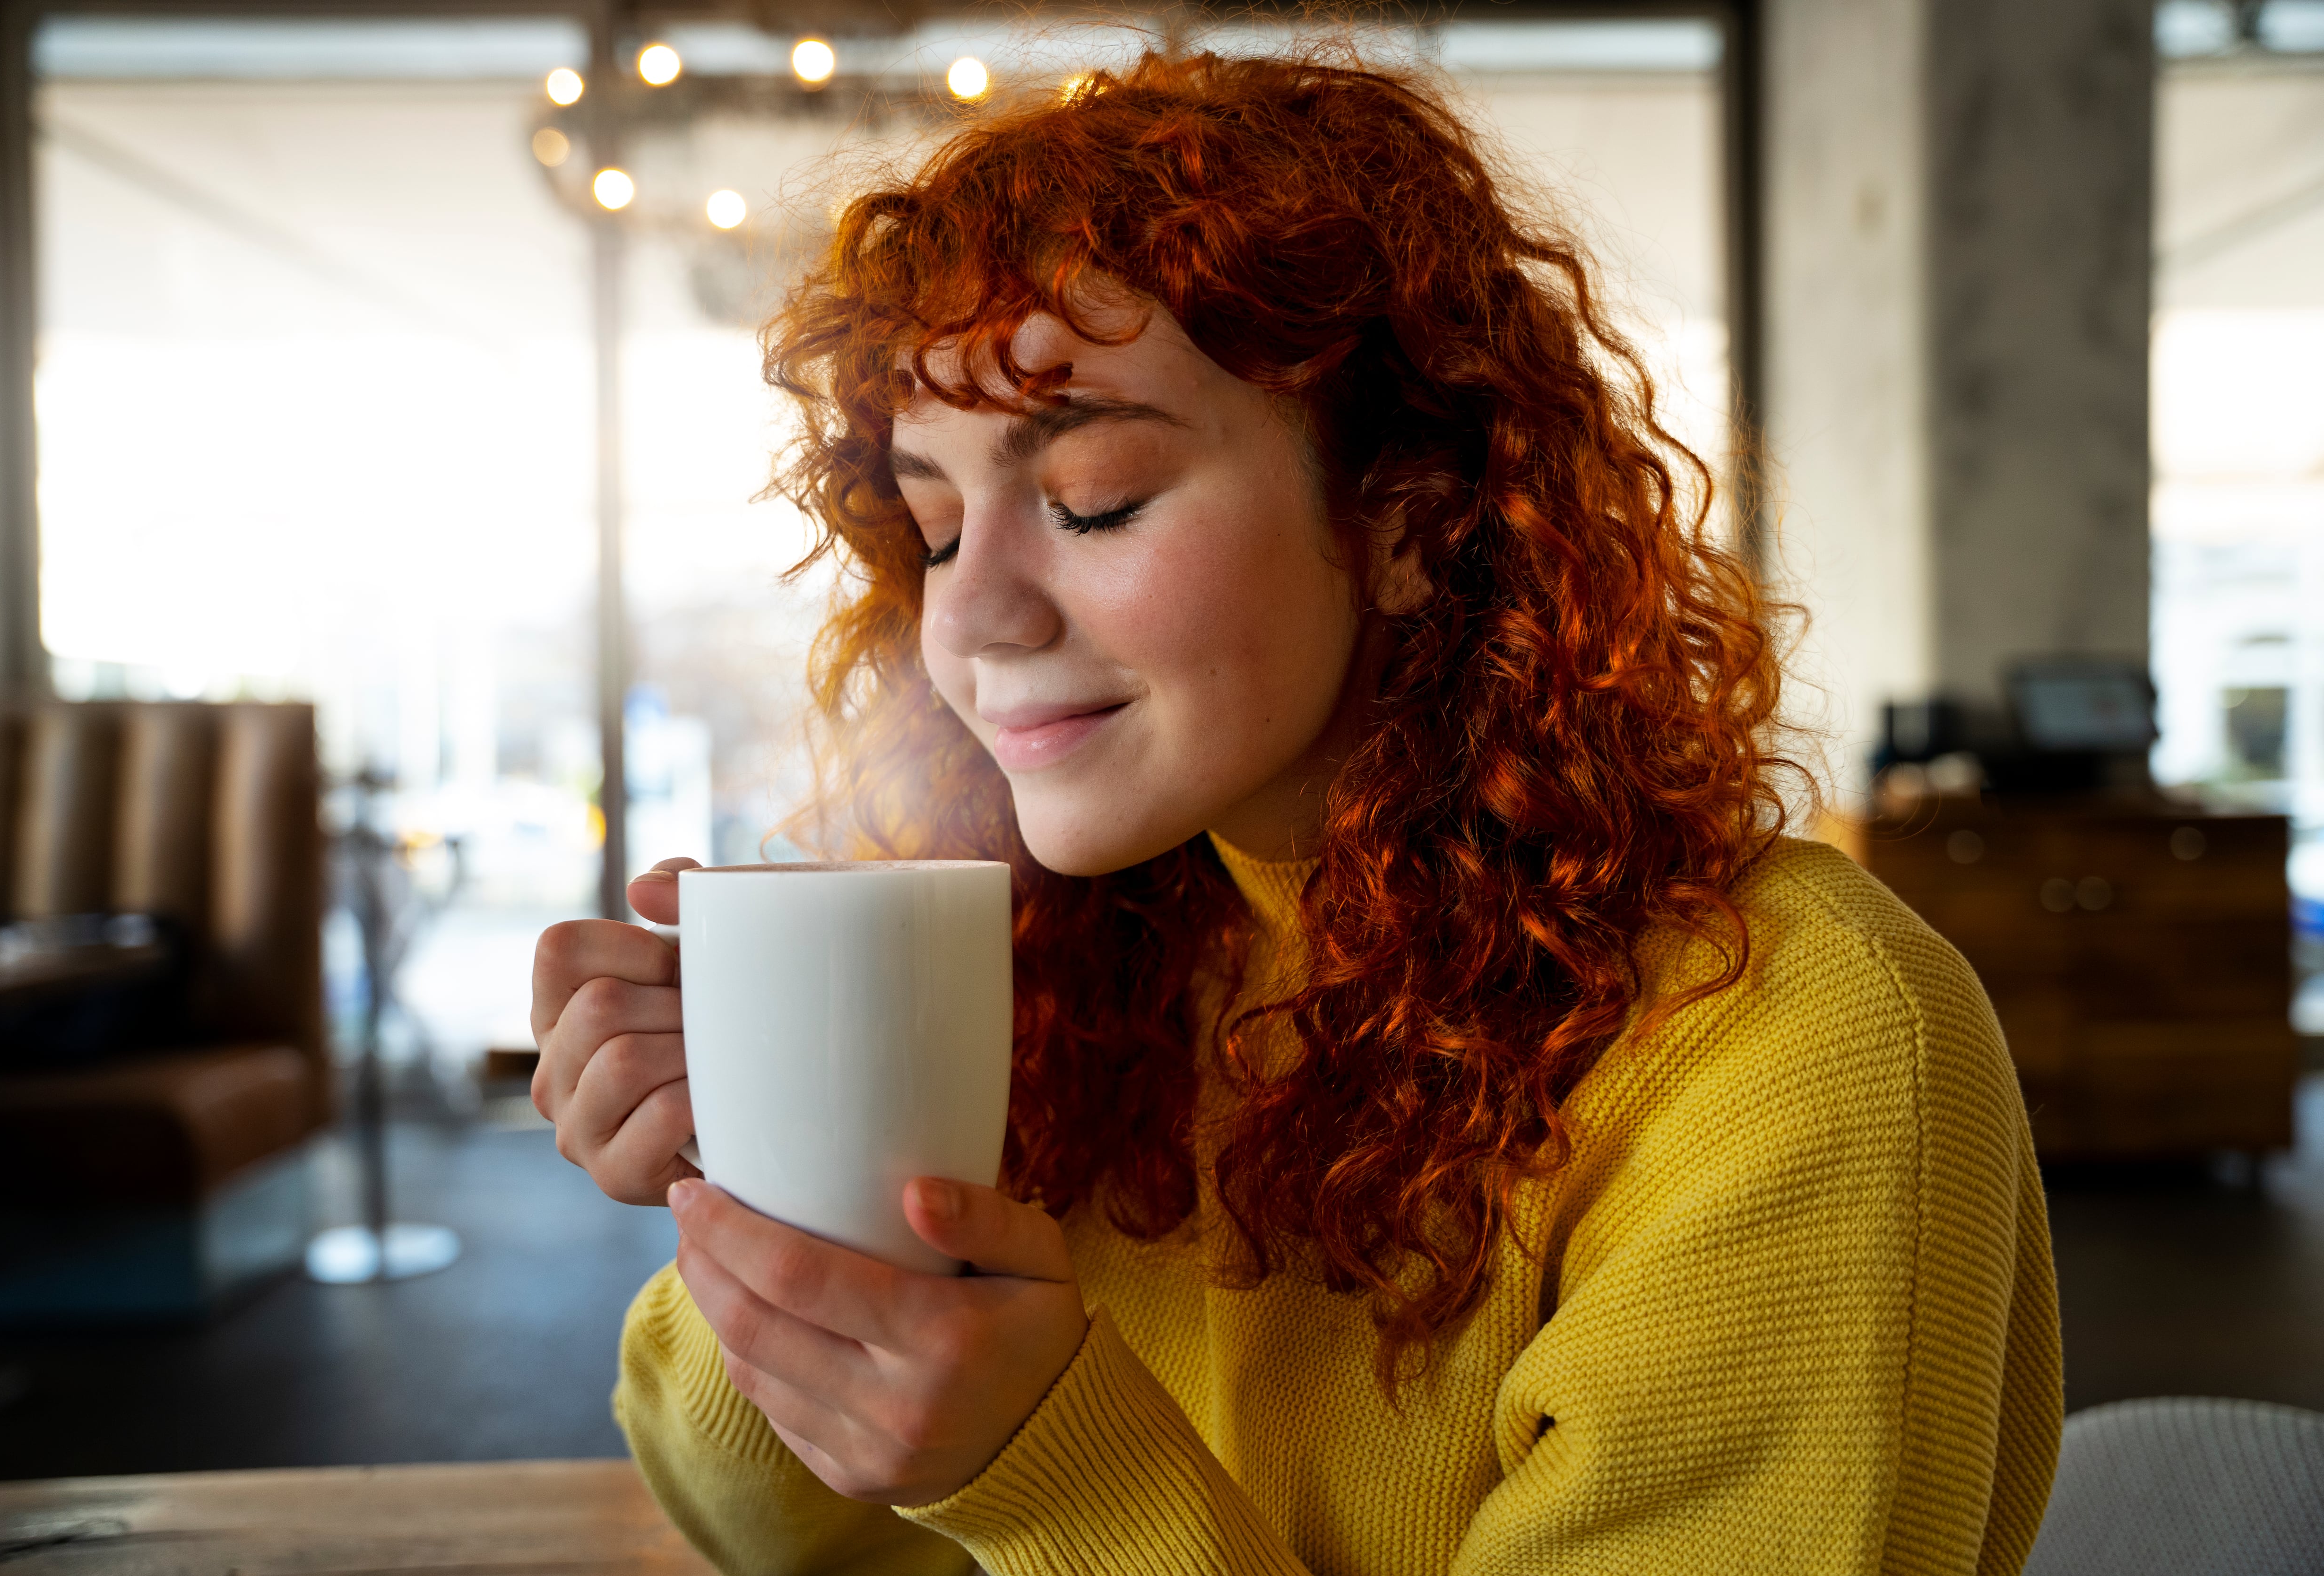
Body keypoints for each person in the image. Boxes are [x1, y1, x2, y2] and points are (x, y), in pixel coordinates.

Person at [529, 47, 2062, 1576]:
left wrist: (1043, 1470)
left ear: (1409, 520)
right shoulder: (1066, 962)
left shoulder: (1792, 1045)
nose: (971, 619)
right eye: (934, 527)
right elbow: (768, 1536)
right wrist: (776, 1165)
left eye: (1095, 500)